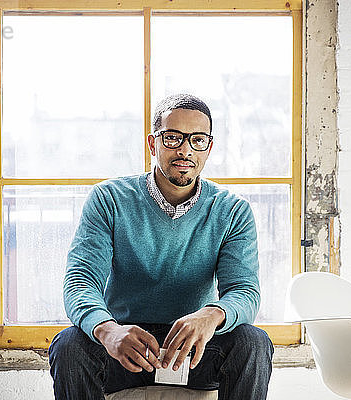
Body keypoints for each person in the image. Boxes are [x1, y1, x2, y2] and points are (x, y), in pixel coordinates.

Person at [49, 94, 273, 400]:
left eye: (197, 140)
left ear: (209, 147)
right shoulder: (109, 199)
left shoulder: (232, 210)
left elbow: (245, 290)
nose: (184, 150)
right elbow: (79, 282)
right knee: (68, 345)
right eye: (172, 138)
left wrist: (212, 314)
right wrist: (108, 330)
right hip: (127, 349)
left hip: (194, 351)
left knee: (253, 341)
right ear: (153, 144)